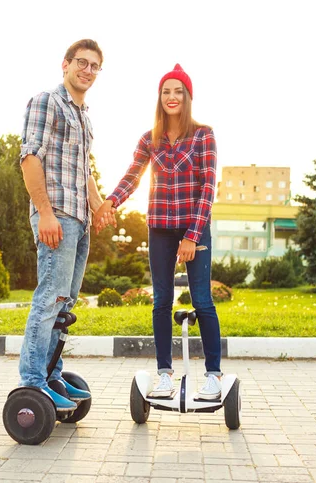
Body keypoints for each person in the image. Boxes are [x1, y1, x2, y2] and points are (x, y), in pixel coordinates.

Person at [95, 64, 222, 400]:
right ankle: (164, 374)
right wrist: (111, 202)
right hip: (161, 230)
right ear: (159, 97)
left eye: (178, 91)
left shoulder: (203, 135)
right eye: (166, 91)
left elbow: (208, 187)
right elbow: (133, 176)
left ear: (188, 97)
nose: (172, 97)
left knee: (202, 301)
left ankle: (213, 375)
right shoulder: (148, 139)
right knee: (161, 301)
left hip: (195, 228)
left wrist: (192, 236)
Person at [18, 39, 114, 411]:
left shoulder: (83, 115)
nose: (87, 70)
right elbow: (29, 157)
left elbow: (83, 170)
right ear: (66, 64)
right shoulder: (47, 102)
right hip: (55, 215)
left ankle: (52, 373)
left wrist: (98, 204)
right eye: (82, 63)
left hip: (80, 219)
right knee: (49, 300)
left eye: (94, 66)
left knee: (65, 304)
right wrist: (44, 212)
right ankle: (33, 381)